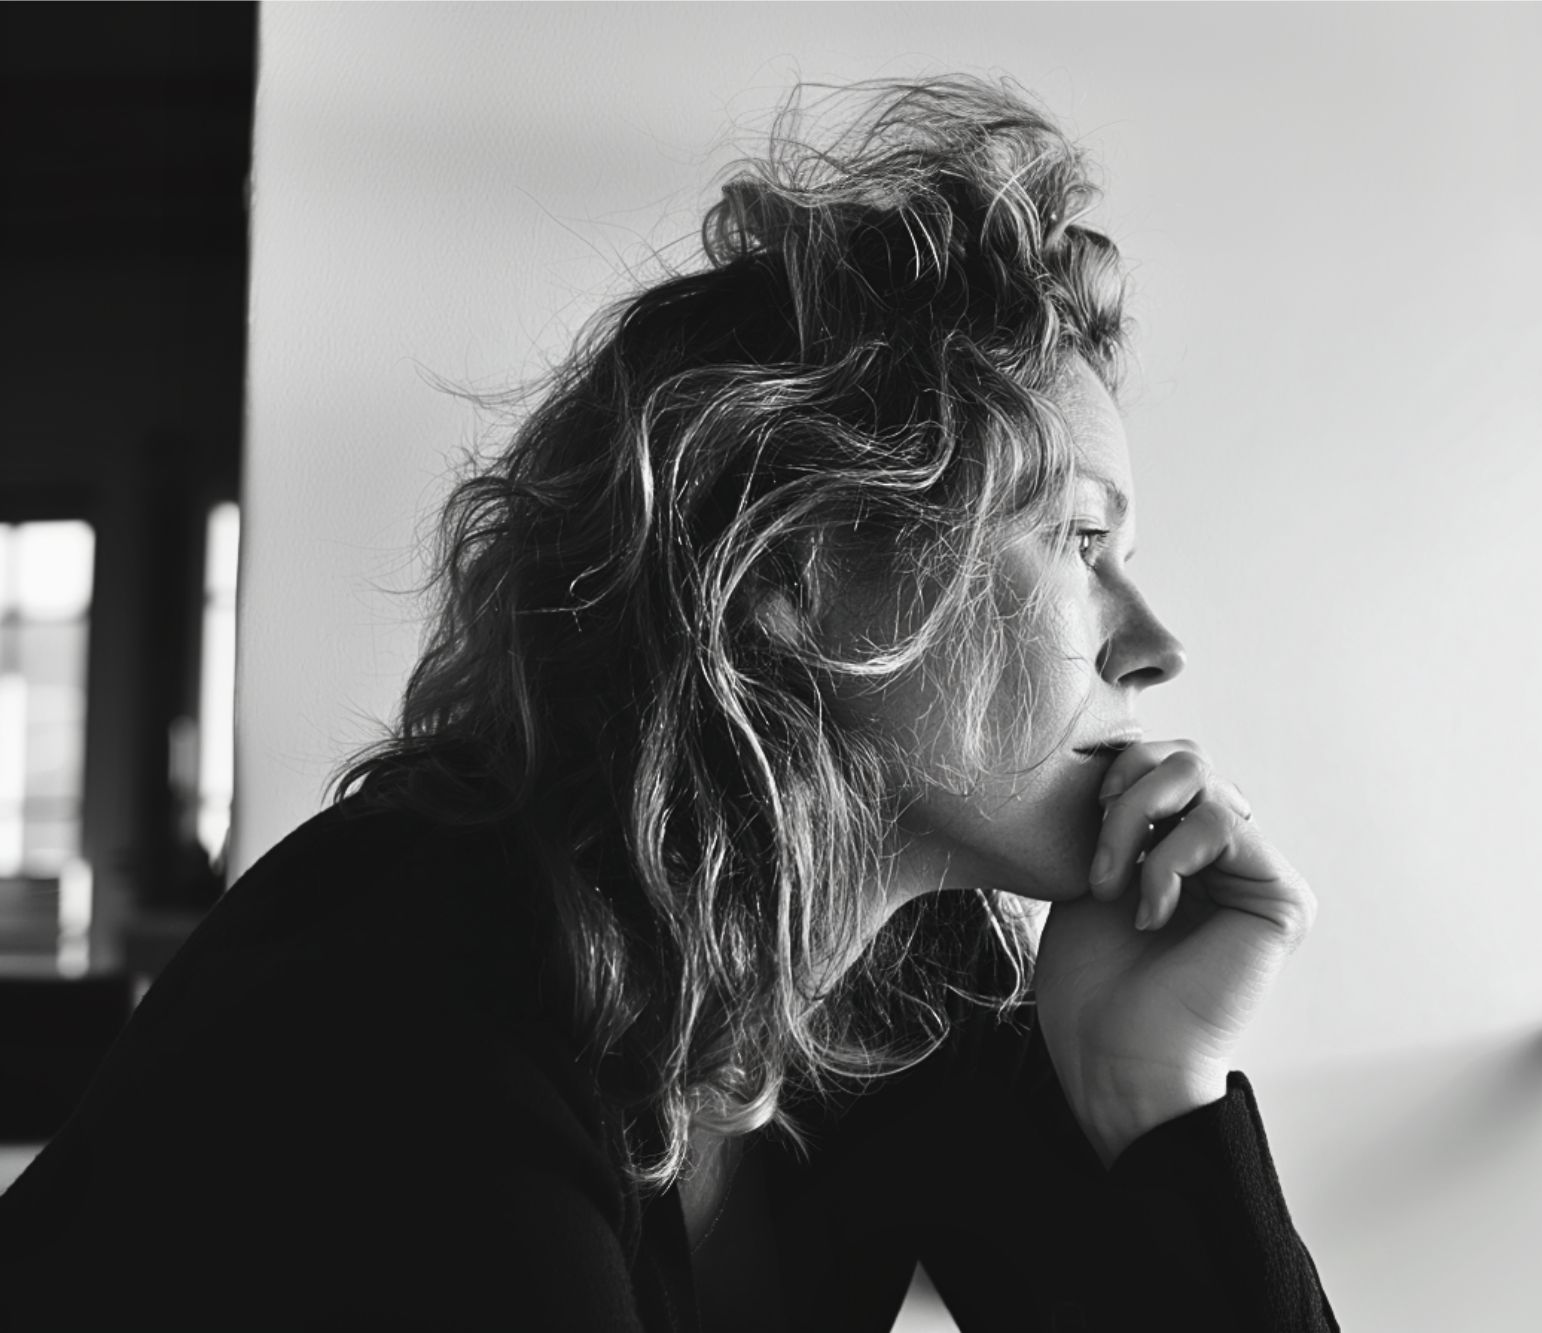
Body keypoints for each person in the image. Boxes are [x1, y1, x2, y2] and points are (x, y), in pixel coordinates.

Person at [0, 76, 1337, 1331]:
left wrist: (1143, 1087)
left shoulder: (898, 985)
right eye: (1082, 542)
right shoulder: (417, 990)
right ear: (802, 572)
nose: (1154, 646)